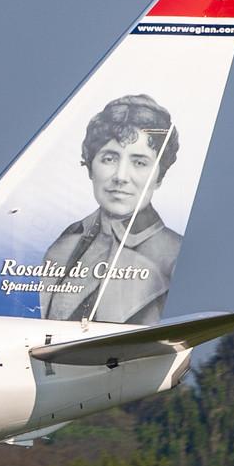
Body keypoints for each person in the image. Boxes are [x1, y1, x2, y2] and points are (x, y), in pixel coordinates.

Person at [41, 94, 183, 325]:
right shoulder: (66, 241)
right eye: (109, 158)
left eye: (139, 162)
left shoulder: (173, 255)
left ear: (159, 176)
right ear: (90, 167)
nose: (120, 177)